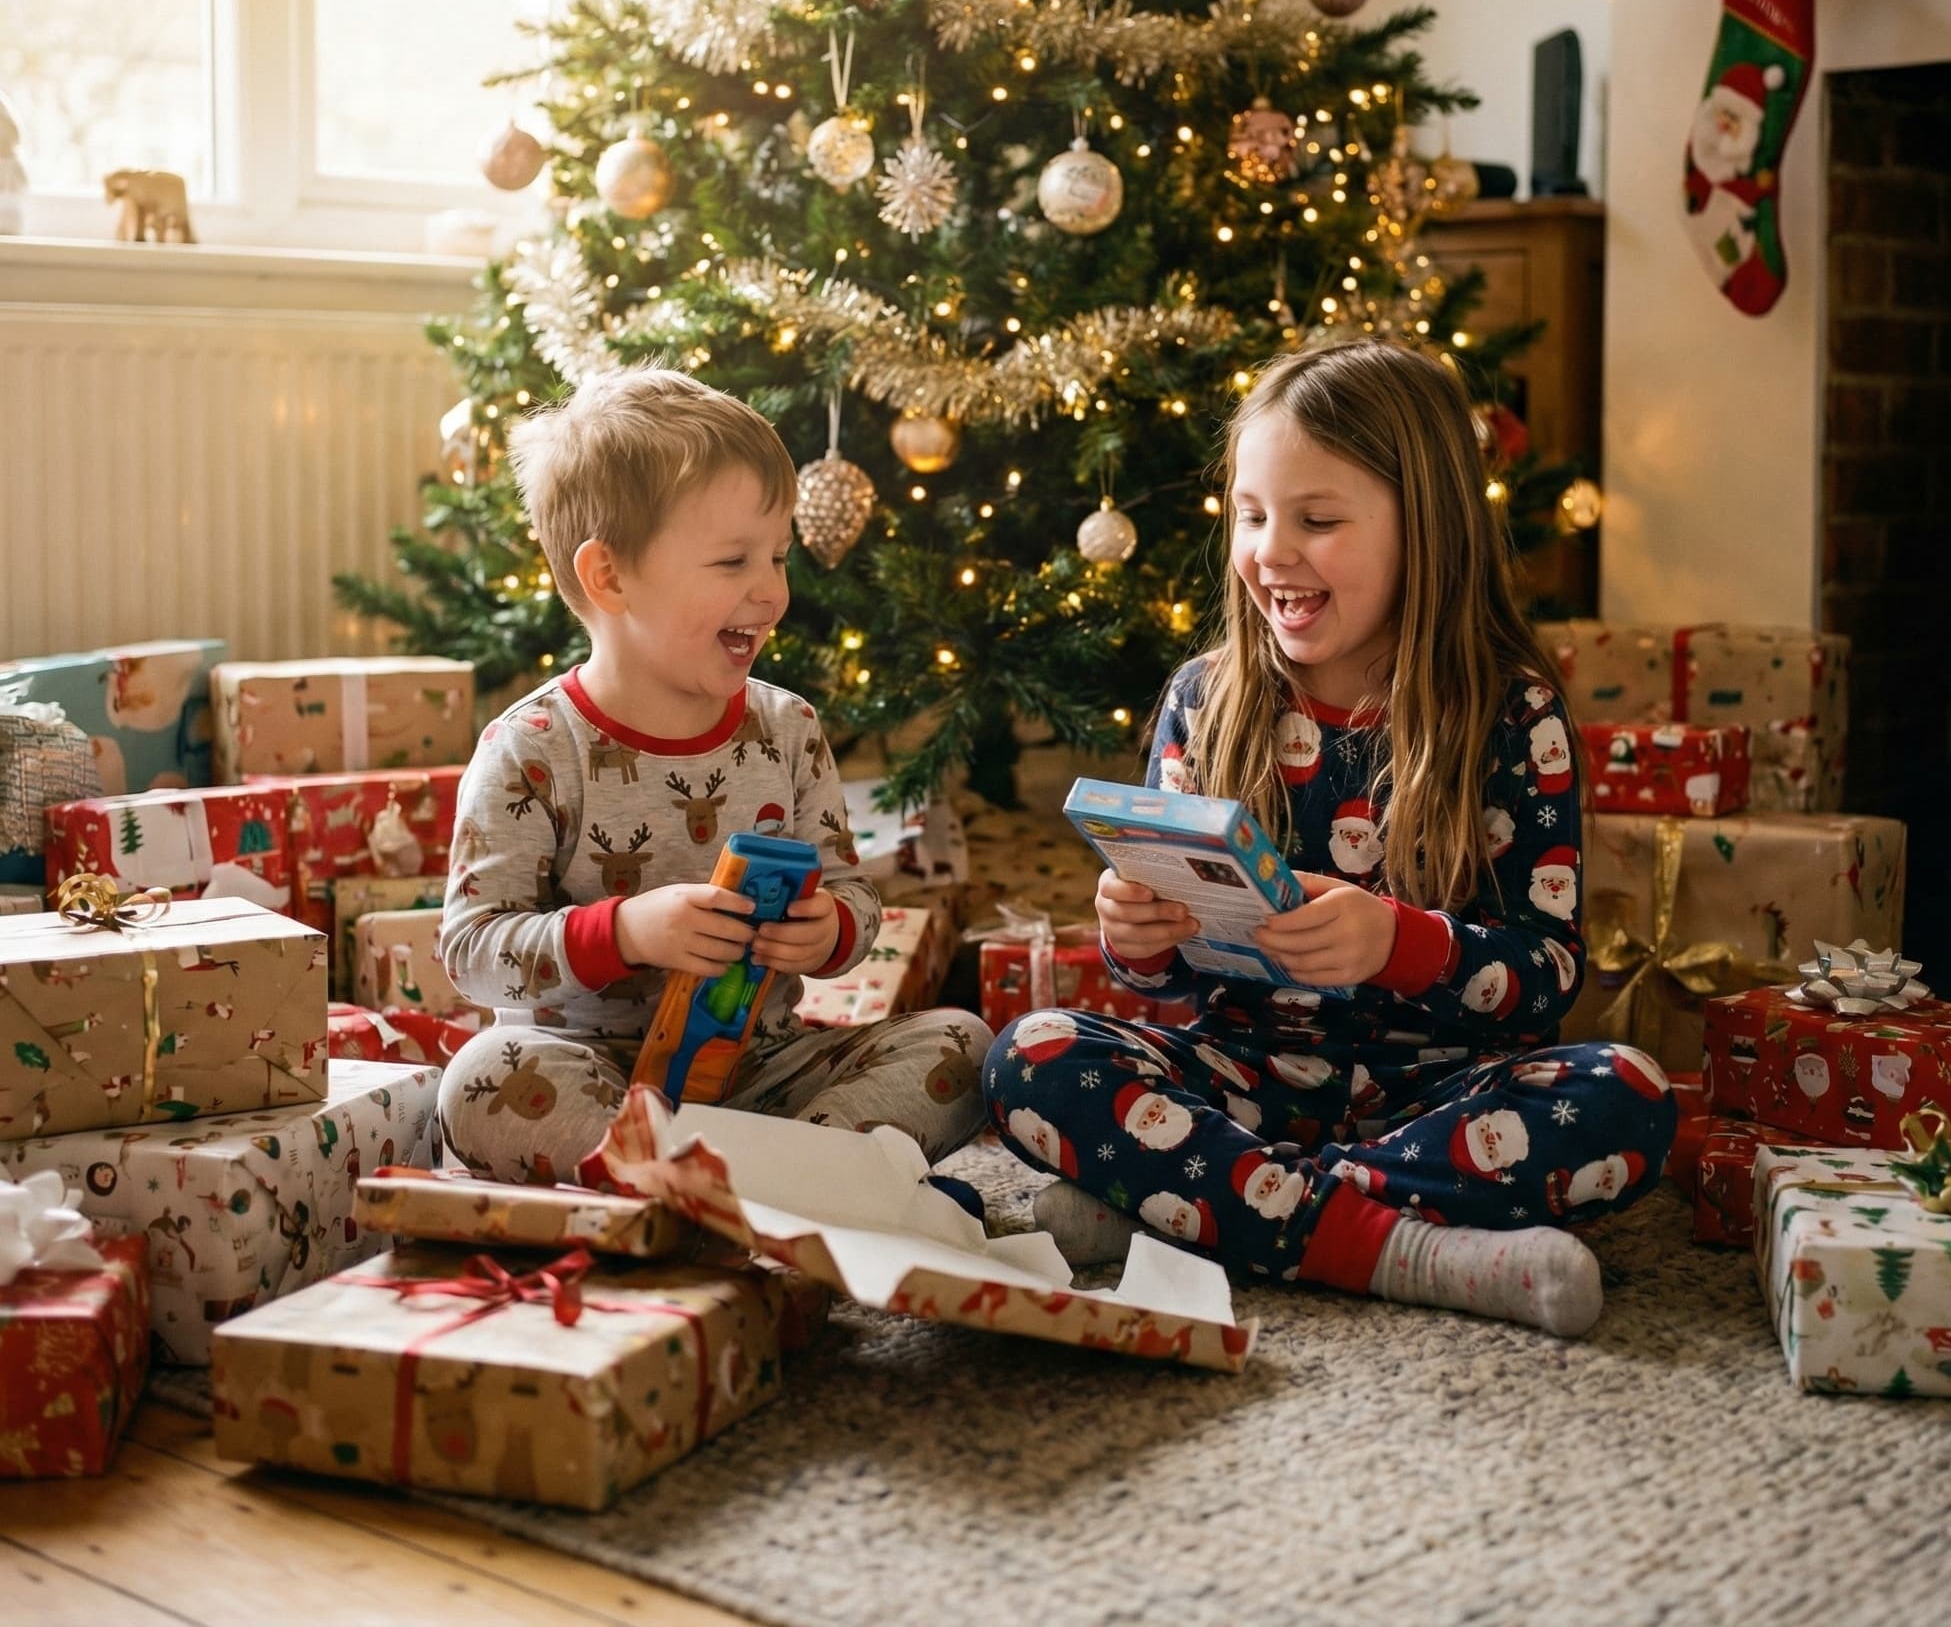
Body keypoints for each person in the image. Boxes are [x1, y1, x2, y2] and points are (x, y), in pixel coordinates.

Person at [983, 341, 1675, 1335]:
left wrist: (1398, 942)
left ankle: (1203, 1207)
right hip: (1241, 1076)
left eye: (1316, 519)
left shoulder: (1510, 715)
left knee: (1627, 1096)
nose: (1270, 549)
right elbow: (1170, 990)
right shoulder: (1203, 699)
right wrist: (1136, 941)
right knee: (1030, 1055)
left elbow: (1549, 974)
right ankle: (1398, 1247)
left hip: (1438, 1092)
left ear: (1421, 529)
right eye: (1251, 514)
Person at [437, 367, 990, 1185]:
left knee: (963, 1049)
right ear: (610, 577)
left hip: (765, 1073)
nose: (771, 591)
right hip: (590, 1071)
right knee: (483, 1080)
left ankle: (734, 1186)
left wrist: (828, 929)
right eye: (733, 561)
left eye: (778, 556)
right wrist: (625, 932)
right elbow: (471, 949)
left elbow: (857, 899)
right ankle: (752, 1188)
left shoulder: (788, 728)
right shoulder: (532, 748)